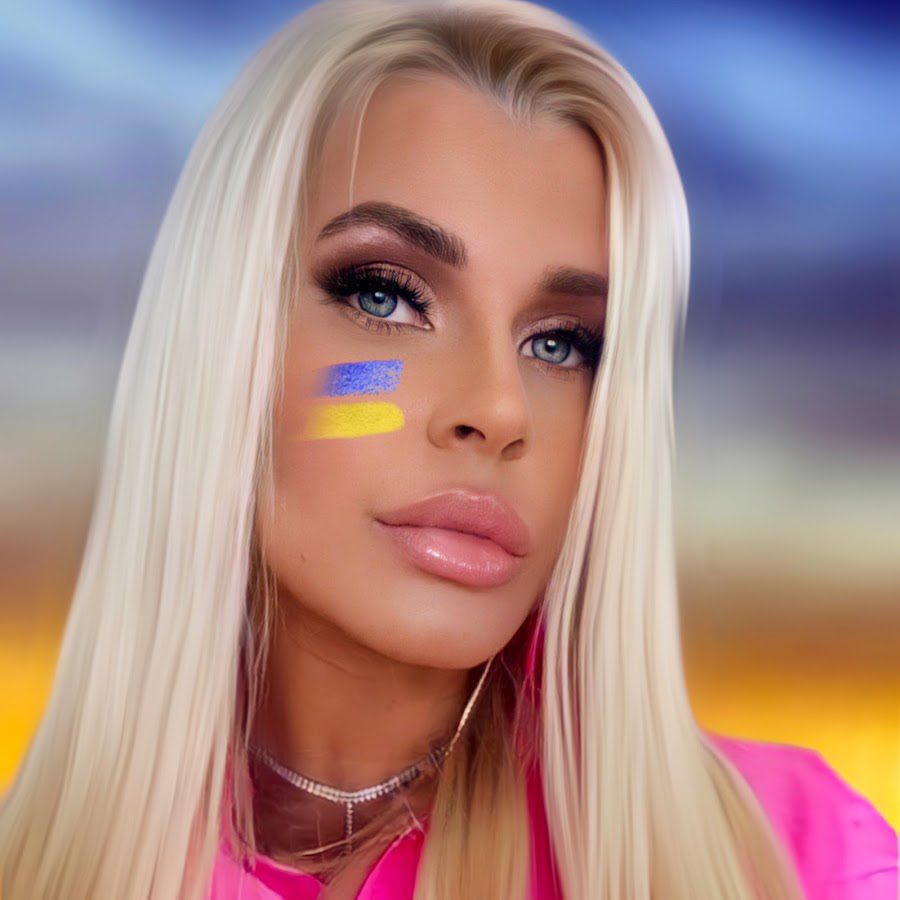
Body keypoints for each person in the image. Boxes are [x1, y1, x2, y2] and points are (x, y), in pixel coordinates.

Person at [0, 0, 896, 898]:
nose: (499, 411)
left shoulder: (801, 863)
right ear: (224, 334)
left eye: (562, 343)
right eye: (385, 296)